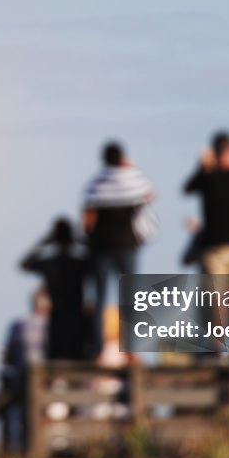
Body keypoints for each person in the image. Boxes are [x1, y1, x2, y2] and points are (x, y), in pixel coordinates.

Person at [82, 142, 155, 358]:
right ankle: (131, 346)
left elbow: (88, 220)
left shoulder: (96, 184)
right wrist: (131, 167)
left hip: (101, 248)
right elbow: (150, 193)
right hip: (127, 247)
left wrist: (90, 240)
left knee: (100, 298)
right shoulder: (131, 181)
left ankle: (97, 348)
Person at [182, 131, 229, 275]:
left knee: (216, 297)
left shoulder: (207, 178)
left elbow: (186, 189)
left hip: (215, 247)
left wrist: (202, 167)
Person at [19, 218, 90, 360]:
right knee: (78, 362)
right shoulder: (79, 263)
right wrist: (80, 239)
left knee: (54, 363)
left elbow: (24, 264)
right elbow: (99, 258)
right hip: (77, 318)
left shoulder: (50, 263)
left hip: (56, 319)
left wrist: (44, 242)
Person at [0, 288, 50, 450]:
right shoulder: (52, 329)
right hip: (47, 387)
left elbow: (6, 358)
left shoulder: (19, 325)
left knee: (14, 420)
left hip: (20, 384)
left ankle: (13, 453)